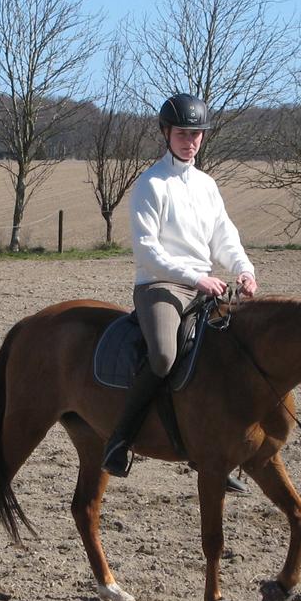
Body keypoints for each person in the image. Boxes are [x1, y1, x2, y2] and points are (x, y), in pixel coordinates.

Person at [101, 93, 259, 480]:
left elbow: (225, 236)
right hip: (160, 287)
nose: (190, 140)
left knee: (234, 353)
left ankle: (216, 446)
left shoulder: (207, 185)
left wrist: (244, 269)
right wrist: (196, 278)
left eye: (197, 134)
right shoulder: (150, 185)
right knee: (164, 357)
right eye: (183, 133)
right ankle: (120, 439)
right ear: (166, 133)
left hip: (206, 286)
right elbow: (149, 251)